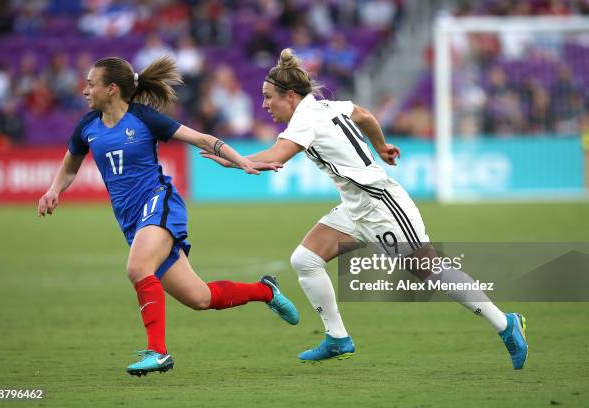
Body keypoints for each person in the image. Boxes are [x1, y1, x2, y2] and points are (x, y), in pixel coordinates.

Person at [202, 49, 528, 369]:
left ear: (289, 96)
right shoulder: (326, 106)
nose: (264, 105)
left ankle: (505, 323)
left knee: (431, 271)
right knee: (305, 259)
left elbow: (276, 157)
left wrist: (232, 160)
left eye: (268, 97)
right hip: (355, 207)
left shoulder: (305, 119)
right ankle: (337, 338)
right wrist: (381, 146)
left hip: (382, 206)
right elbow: (364, 115)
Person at [37, 56, 299, 377]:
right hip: (133, 221)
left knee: (137, 267)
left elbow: (202, 139)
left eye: (91, 84)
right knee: (201, 298)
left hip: (159, 203)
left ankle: (158, 352)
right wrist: (54, 190)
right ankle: (266, 290)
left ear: (112, 88)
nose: (85, 90)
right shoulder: (87, 126)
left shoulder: (144, 119)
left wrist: (241, 161)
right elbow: (70, 164)